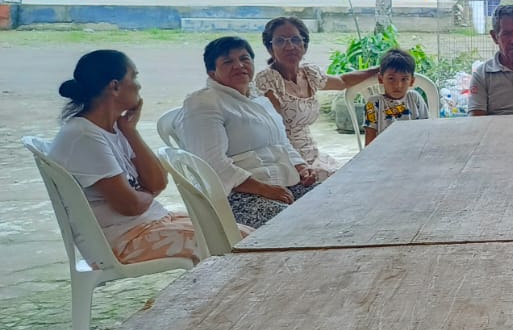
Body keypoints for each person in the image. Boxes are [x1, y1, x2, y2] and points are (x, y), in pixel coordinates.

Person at [48, 50, 203, 265]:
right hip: (123, 240)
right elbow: (130, 205)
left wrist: (131, 131)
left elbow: (158, 182)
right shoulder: (84, 136)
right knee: (228, 241)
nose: (139, 86)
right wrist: (147, 194)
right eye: (134, 77)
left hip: (149, 223)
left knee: (235, 232)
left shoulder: (112, 128)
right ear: (115, 86)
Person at [178, 36, 316, 228]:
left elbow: (282, 143)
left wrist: (300, 166)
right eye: (228, 62)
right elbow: (211, 164)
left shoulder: (259, 99)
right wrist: (263, 189)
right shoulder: (203, 103)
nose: (239, 65)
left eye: (244, 59)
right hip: (236, 196)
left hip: (282, 184)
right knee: (297, 224)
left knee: (334, 200)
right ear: (212, 72)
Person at [252, 16, 377, 179]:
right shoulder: (268, 81)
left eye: (295, 39)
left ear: (304, 45)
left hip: (313, 155)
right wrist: (300, 166)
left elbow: (342, 81)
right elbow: (274, 131)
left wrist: (380, 69)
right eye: (280, 41)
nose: (289, 46)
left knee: (359, 176)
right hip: (286, 160)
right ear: (270, 48)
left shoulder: (308, 74)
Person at [360, 48, 429, 144]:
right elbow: (370, 138)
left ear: (412, 81)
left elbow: (426, 129)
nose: (398, 85)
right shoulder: (373, 103)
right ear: (380, 79)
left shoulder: (415, 98)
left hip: (413, 149)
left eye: (404, 79)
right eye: (391, 78)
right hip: (384, 151)